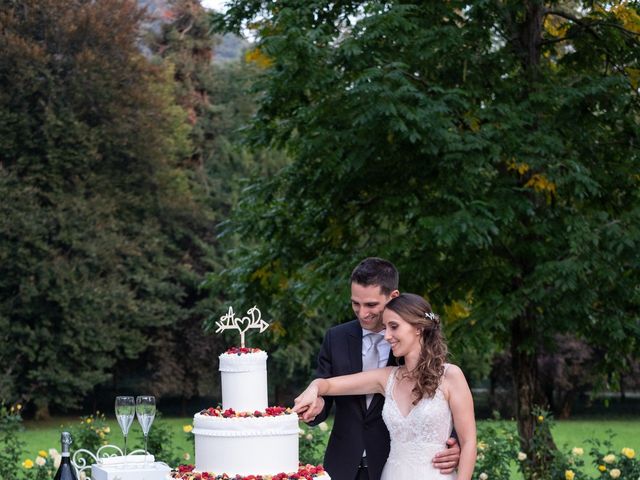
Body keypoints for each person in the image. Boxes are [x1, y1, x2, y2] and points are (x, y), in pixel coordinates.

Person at [297, 258, 461, 480]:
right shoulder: (335, 338)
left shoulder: (411, 340)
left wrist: (453, 442)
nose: (362, 313)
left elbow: (441, 394)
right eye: (356, 303)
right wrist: (316, 406)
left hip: (392, 464)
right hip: (343, 465)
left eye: (371, 305)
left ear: (393, 296)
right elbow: (325, 391)